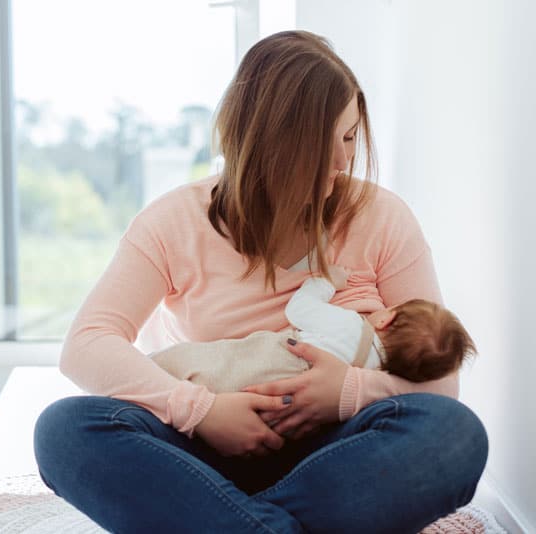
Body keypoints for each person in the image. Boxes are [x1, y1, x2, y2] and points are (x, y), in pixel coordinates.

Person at [34, 30, 488, 533]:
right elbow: (87, 345)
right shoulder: (173, 222)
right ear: (272, 140)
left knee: (455, 435)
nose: (343, 161)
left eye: (350, 136)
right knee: (65, 431)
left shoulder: (383, 218)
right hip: (200, 452)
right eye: (326, 142)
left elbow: (442, 386)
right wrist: (202, 412)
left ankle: (227, 521)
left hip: (336, 453)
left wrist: (349, 390)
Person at [152, 268, 477, 393]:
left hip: (259, 363)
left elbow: (300, 309)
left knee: (190, 362)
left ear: (384, 320)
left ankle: (149, 368)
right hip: (275, 410)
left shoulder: (349, 324)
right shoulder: (374, 376)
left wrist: (326, 282)